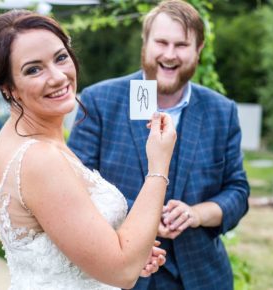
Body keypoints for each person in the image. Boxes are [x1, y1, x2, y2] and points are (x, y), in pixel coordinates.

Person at [0, 9, 177, 290]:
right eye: (33, 69)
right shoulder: (38, 158)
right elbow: (122, 271)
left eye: (60, 58)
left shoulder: (17, 137)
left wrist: (130, 247)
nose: (58, 77)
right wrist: (158, 166)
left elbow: (67, 235)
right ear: (9, 87)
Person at [68, 0, 250, 289]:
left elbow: (238, 191)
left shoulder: (222, 111)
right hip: (122, 275)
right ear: (145, 43)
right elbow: (77, 187)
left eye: (181, 45)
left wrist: (197, 214)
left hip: (203, 277)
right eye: (161, 42)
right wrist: (144, 218)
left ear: (199, 49)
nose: (169, 54)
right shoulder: (98, 101)